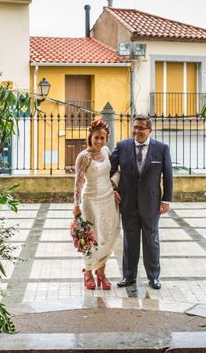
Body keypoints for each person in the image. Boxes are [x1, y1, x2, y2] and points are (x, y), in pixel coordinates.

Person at [109, 115, 173, 290]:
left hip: (152, 203)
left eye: (141, 128)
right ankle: (128, 276)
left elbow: (168, 175)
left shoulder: (161, 148)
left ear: (149, 131)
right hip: (128, 202)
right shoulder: (122, 146)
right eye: (135, 127)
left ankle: (154, 278)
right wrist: (113, 190)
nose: (137, 131)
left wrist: (166, 199)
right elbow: (110, 170)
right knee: (130, 241)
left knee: (151, 240)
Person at [72, 119, 121, 290]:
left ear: (106, 139)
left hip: (107, 199)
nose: (99, 141)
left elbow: (114, 172)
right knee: (90, 238)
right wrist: (76, 204)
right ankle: (88, 273)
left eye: (102, 138)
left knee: (106, 235)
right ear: (90, 137)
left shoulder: (107, 151)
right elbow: (77, 182)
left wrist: (114, 187)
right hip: (90, 200)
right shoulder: (83, 157)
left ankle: (101, 273)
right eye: (96, 138)